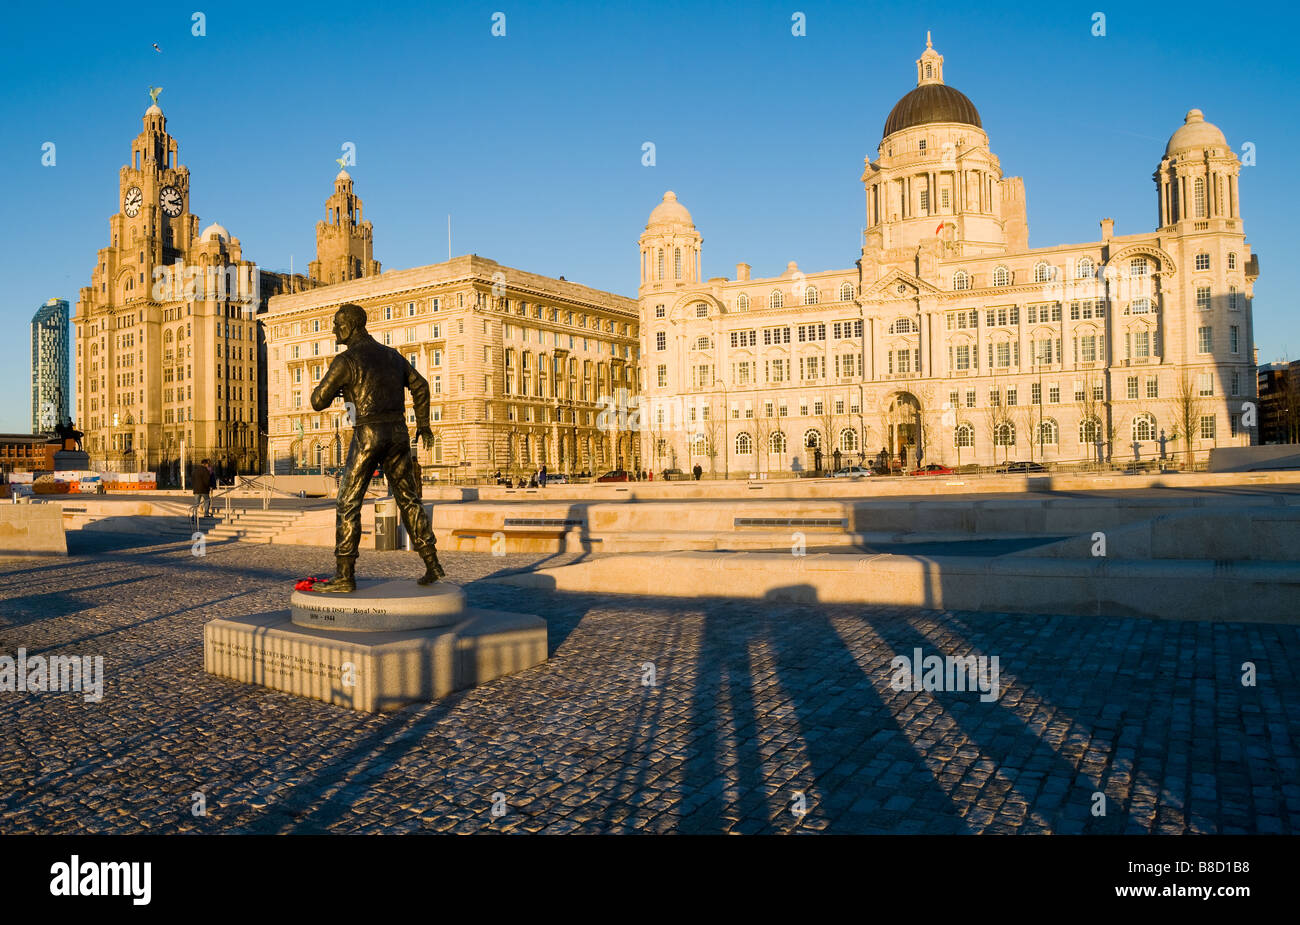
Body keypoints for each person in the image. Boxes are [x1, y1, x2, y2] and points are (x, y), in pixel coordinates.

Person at [308, 303, 444, 593]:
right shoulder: (392, 356)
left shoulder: (346, 360)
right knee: (408, 499)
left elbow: (317, 401)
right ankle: (432, 562)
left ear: (351, 326)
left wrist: (334, 390)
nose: (334, 329)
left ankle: (345, 575)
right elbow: (420, 386)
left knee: (348, 503)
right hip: (398, 433)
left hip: (368, 433)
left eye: (336, 324)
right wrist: (423, 425)